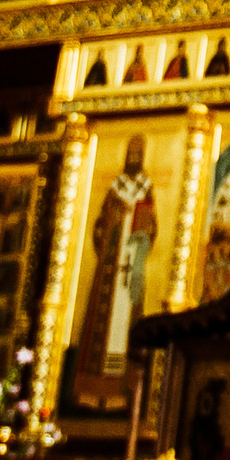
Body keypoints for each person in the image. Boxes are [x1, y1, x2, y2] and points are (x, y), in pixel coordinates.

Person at [80, 135, 157, 389]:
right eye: (130, 155)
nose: (134, 159)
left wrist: (137, 225)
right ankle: (92, 386)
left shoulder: (146, 186)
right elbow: (100, 222)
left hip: (132, 258)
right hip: (112, 262)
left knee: (128, 313)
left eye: (138, 155)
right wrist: (116, 217)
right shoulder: (116, 186)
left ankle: (121, 386)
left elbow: (151, 225)